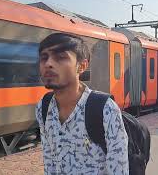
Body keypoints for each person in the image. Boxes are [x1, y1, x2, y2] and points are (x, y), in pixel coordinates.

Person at [36, 33, 129, 174]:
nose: (48, 63)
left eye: (60, 57)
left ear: (82, 66)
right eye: (44, 58)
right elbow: (49, 162)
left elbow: (119, 169)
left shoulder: (105, 109)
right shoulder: (43, 107)